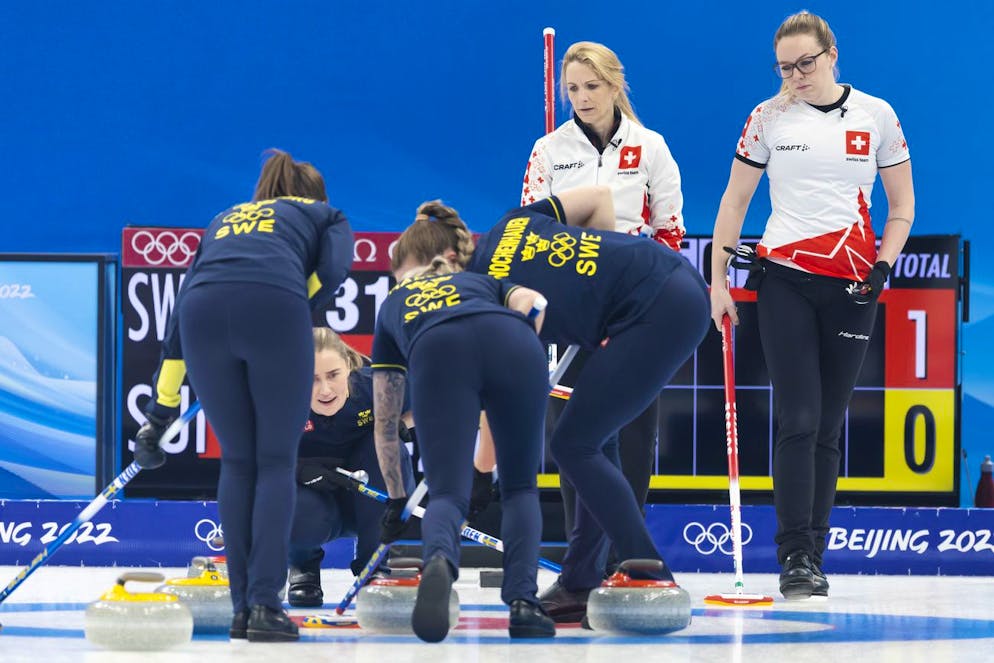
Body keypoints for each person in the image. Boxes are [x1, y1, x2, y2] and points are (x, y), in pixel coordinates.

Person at [391, 185, 711, 625]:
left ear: (447, 259)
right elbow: (598, 197)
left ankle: (646, 567)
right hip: (668, 279)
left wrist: (481, 472)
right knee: (595, 443)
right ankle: (580, 581)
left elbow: (491, 395)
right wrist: (599, 280)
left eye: (421, 280)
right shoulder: (511, 221)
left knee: (576, 445)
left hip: (654, 307)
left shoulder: (481, 291)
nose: (420, 295)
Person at [709, 11, 914, 600]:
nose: (795, 76)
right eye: (784, 67)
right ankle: (794, 555)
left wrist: (883, 268)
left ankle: (814, 555)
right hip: (785, 280)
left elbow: (902, 206)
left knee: (828, 425)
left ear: (831, 55)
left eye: (805, 63)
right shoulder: (767, 118)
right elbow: (734, 200)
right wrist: (718, 280)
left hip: (853, 286)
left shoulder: (877, 115)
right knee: (798, 418)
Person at [134, 149, 355, 641]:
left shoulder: (223, 219)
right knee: (275, 462)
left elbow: (177, 324)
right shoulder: (325, 214)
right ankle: (264, 606)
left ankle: (241, 611)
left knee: (237, 463)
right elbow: (338, 269)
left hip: (202, 314)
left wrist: (160, 413)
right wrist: (298, 301)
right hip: (275, 305)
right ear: (313, 195)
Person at [518, 41, 686, 598]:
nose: (582, 98)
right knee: (576, 442)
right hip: (575, 309)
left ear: (616, 86)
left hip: (637, 305)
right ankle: (583, 566)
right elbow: (532, 231)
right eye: (573, 88)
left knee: (630, 439)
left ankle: (625, 563)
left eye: (593, 86)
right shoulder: (548, 149)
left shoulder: (651, 146)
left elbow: (669, 231)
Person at [372, 204, 555, 642]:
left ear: (405, 270)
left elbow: (385, 419)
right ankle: (524, 603)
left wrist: (397, 500)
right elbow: (535, 302)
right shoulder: (483, 281)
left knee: (448, 493)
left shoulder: (395, 304)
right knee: (520, 488)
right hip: (512, 340)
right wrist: (514, 357)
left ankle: (438, 562)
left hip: (438, 349)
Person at [286, 327, 416, 608]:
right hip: (314, 501)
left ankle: (375, 568)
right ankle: (303, 567)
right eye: (311, 379)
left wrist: (401, 424)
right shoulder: (281, 402)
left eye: (333, 375)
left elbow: (435, 397)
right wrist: (298, 471)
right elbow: (254, 459)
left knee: (383, 445)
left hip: (369, 496)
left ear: (349, 365)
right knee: (288, 502)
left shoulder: (376, 386)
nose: (325, 390)